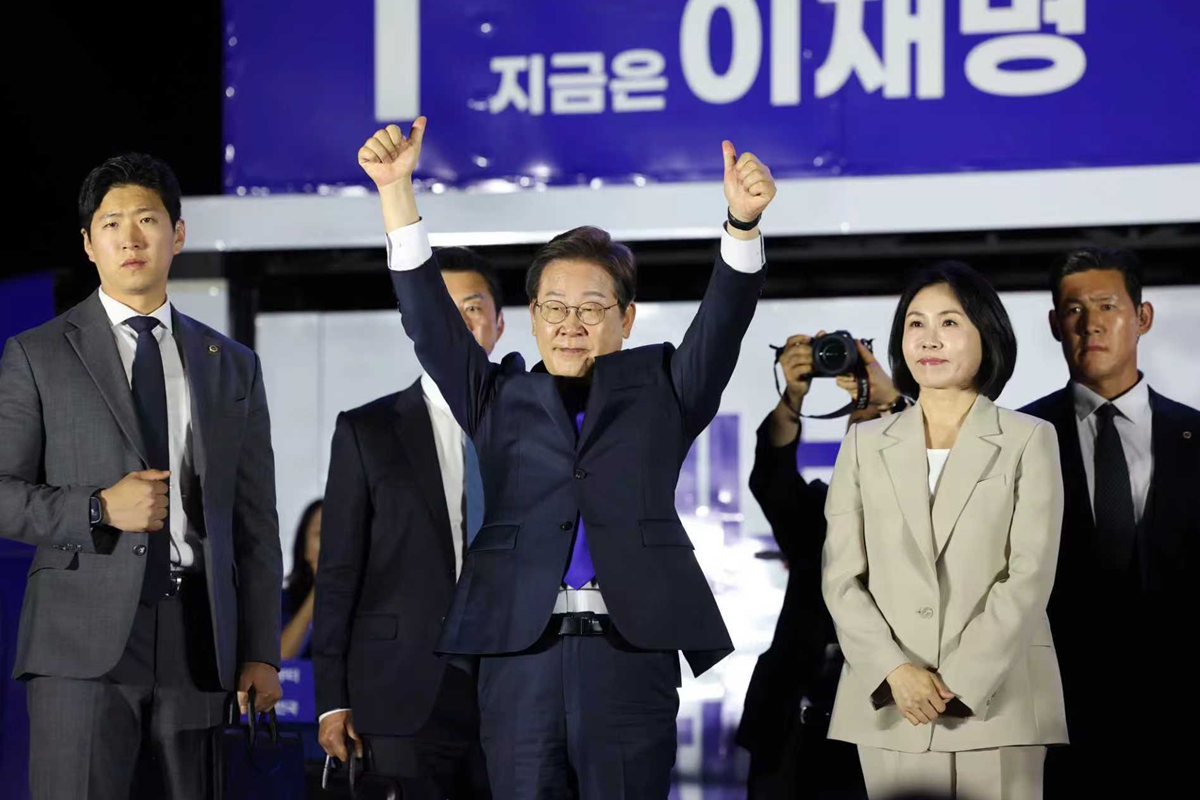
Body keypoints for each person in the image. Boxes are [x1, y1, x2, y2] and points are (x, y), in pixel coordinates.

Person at [356, 117, 776, 798]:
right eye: (554, 308)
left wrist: (742, 225)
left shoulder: (665, 390)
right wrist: (397, 193)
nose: (570, 324)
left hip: (628, 652)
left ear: (627, 319)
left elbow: (723, 324)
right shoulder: (495, 395)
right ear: (530, 316)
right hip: (519, 653)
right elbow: (430, 324)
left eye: (590, 308)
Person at [0, 153, 282, 800]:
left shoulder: (230, 364)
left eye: (148, 220)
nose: (131, 238)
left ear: (177, 234)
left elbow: (254, 523)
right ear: (88, 244)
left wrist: (260, 649)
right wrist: (97, 508)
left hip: (200, 641)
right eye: (112, 224)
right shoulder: (38, 353)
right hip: (80, 647)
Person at [821, 262, 1067, 800]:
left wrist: (962, 677)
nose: (929, 339)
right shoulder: (865, 444)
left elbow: (1030, 574)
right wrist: (893, 672)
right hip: (892, 706)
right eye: (916, 323)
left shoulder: (1029, 438)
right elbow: (840, 579)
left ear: (988, 335)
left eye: (951, 323)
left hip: (998, 702)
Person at [313, 246, 504, 798]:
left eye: (470, 307)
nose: (455, 322)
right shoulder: (367, 430)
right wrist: (333, 696)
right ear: (416, 323)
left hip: (514, 686)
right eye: (439, 308)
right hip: (400, 688)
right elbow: (339, 571)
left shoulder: (532, 421)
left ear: (498, 323)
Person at [1021, 248, 1198, 797]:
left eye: (1106, 305)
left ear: (1141, 318)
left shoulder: (1196, 437)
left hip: (1183, 729)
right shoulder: (1017, 438)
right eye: (1073, 309)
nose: (1090, 322)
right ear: (1055, 324)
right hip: (1058, 727)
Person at [739, 332, 900, 799]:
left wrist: (896, 403)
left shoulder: (937, 514)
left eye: (885, 423)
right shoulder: (818, 511)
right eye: (861, 419)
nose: (869, 431)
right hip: (792, 722)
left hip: (891, 719)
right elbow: (770, 475)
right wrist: (793, 396)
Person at [281, 499, 322, 660]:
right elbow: (280, 660)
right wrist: (320, 588)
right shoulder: (282, 602)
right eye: (320, 533)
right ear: (304, 548)